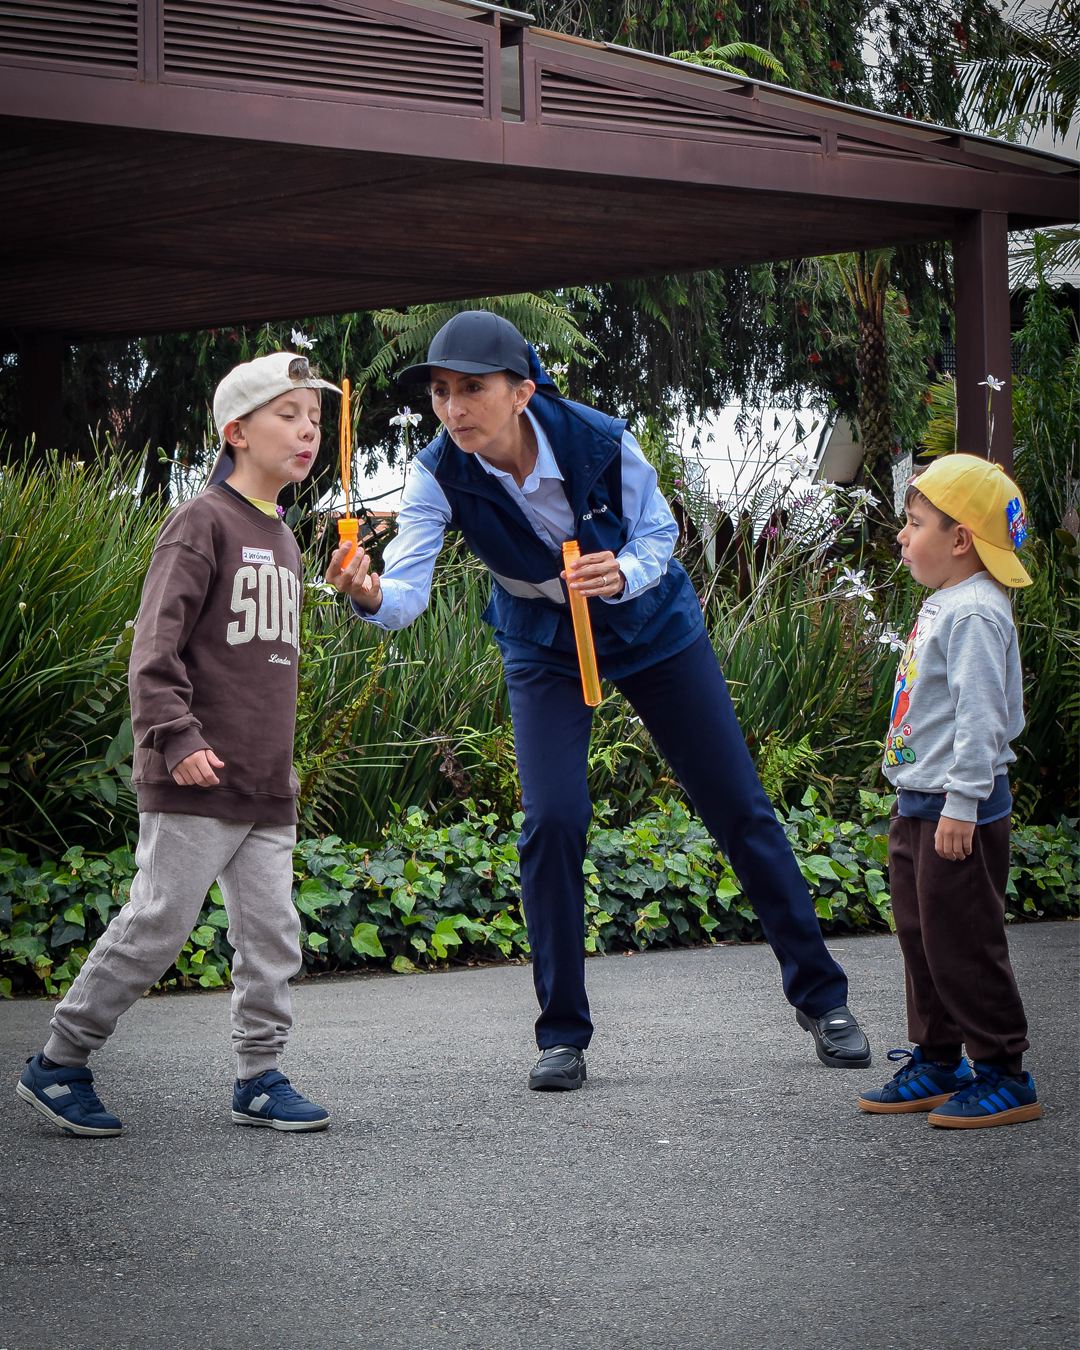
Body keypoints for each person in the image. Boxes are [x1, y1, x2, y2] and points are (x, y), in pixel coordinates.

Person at [327, 310, 871, 1090]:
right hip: (541, 642)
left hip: (652, 626)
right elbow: (405, 592)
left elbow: (659, 534)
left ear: (523, 391)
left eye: (472, 389)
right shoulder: (436, 472)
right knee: (552, 818)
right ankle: (562, 1036)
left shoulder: (599, 439)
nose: (452, 408)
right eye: (441, 391)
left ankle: (824, 1001)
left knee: (737, 806)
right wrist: (369, 593)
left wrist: (620, 574)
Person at [17, 352, 336, 1136]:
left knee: (273, 937)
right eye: (289, 415)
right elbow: (153, 650)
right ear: (237, 432)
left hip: (265, 784)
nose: (308, 431)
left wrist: (281, 767)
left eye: (316, 418)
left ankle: (258, 1077)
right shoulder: (201, 522)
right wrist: (175, 735)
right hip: (194, 776)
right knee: (157, 923)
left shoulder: (285, 539)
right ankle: (59, 1061)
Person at [859, 454, 1041, 1129]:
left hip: (957, 809)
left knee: (963, 941)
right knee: (922, 937)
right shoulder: (947, 602)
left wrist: (962, 805)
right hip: (920, 802)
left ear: (960, 538)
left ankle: (1005, 1072)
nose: (902, 536)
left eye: (915, 524)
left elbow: (981, 719)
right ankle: (939, 1059)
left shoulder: (976, 615)